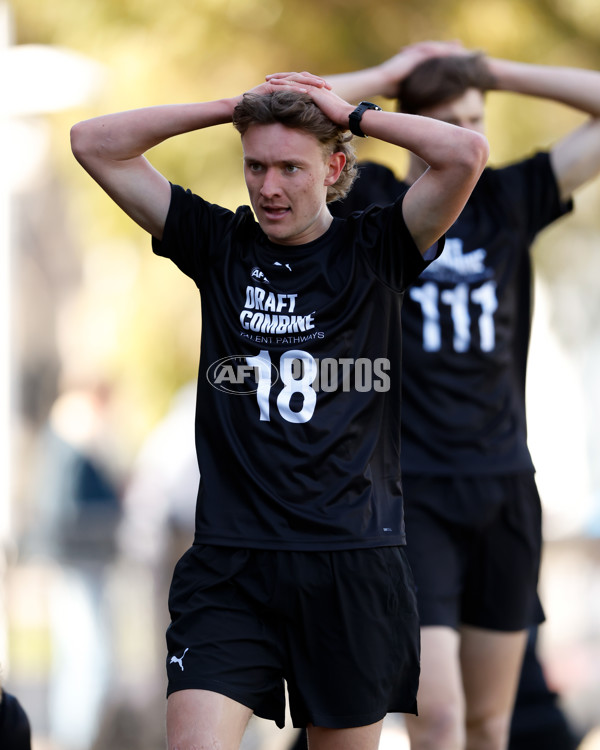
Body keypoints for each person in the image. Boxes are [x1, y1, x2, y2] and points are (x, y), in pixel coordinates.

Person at [70, 70, 487, 750]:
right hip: (231, 568)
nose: (268, 187)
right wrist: (225, 108)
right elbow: (93, 142)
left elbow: (465, 154)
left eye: (291, 167)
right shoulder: (218, 244)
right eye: (255, 166)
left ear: (335, 168)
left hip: (351, 566)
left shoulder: (379, 247)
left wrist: (353, 113)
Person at [326, 41, 600, 750]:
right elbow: (293, 115)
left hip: (504, 487)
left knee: (488, 725)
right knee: (438, 719)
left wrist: (496, 72)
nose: (470, 136)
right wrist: (381, 80)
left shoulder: (509, 198)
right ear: (413, 128)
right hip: (412, 494)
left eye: (479, 119)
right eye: (451, 122)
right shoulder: (380, 200)